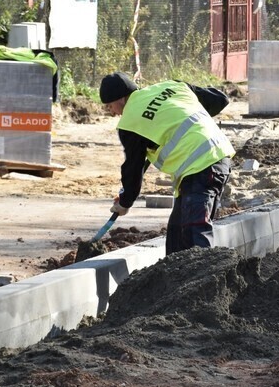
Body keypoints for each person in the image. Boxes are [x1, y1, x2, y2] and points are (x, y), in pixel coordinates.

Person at [98, 72, 235, 254]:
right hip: (217, 158)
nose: (112, 112)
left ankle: (206, 280)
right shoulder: (171, 86)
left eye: (110, 106)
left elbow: (133, 167)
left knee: (195, 234)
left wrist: (125, 202)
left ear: (121, 99)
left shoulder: (130, 121)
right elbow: (219, 99)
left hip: (200, 167)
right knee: (177, 238)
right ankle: (178, 280)